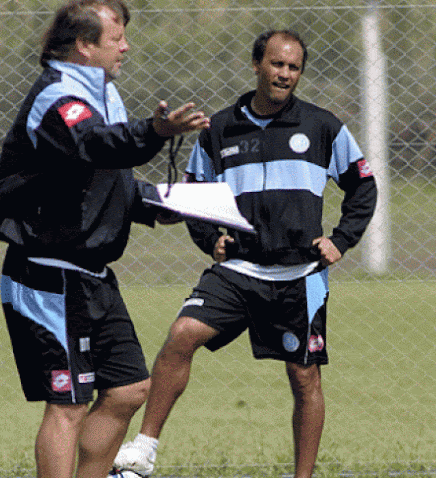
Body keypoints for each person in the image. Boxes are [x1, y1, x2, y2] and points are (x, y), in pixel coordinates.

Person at [112, 29, 377, 478]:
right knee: (182, 335)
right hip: (236, 271)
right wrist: (207, 238)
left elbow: (363, 185)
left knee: (304, 377)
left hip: (300, 275)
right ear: (257, 65)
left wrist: (341, 238)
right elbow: (194, 196)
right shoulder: (218, 129)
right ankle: (143, 451)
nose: (285, 74)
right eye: (276, 64)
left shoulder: (323, 126)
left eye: (293, 68)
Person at [0, 0, 210, 478]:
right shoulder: (57, 95)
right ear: (84, 45)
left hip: (93, 276)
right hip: (48, 275)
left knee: (129, 388)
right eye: (117, 38)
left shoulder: (104, 90)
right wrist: (153, 131)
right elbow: (96, 145)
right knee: (66, 404)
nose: (126, 47)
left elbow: (109, 181)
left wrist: (174, 205)